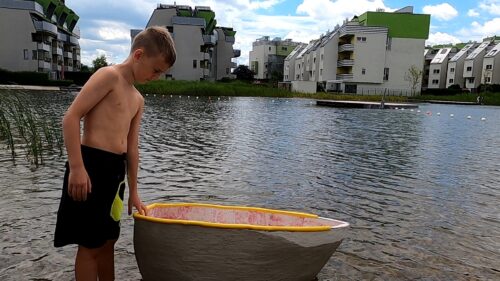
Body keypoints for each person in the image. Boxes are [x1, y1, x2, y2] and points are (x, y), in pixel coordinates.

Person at [54, 26, 176, 281]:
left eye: (161, 74)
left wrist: (134, 190)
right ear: (139, 55)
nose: (156, 77)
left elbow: (132, 148)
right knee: (89, 244)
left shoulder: (138, 99)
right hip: (90, 167)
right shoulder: (108, 76)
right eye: (156, 70)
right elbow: (71, 118)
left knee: (109, 240)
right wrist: (77, 168)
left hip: (115, 174)